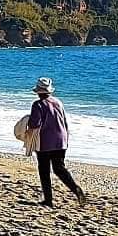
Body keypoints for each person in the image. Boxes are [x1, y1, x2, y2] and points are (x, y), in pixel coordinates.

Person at [28, 78, 87, 208]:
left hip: (45, 141)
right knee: (59, 168)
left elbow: (34, 124)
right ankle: (76, 189)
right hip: (61, 139)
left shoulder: (37, 105)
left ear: (38, 92)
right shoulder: (58, 102)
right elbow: (65, 122)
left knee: (44, 170)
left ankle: (48, 200)